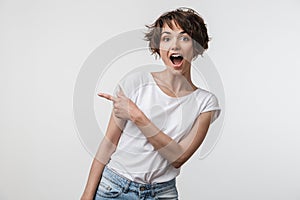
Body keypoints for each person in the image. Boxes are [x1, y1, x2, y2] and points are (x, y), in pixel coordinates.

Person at [81, 7, 221, 200]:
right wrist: (87, 195)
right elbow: (108, 144)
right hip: (114, 189)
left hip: (162, 194)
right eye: (166, 38)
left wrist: (137, 116)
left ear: (196, 47)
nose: (175, 45)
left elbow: (178, 157)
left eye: (184, 38)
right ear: (158, 47)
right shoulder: (135, 83)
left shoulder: (206, 103)